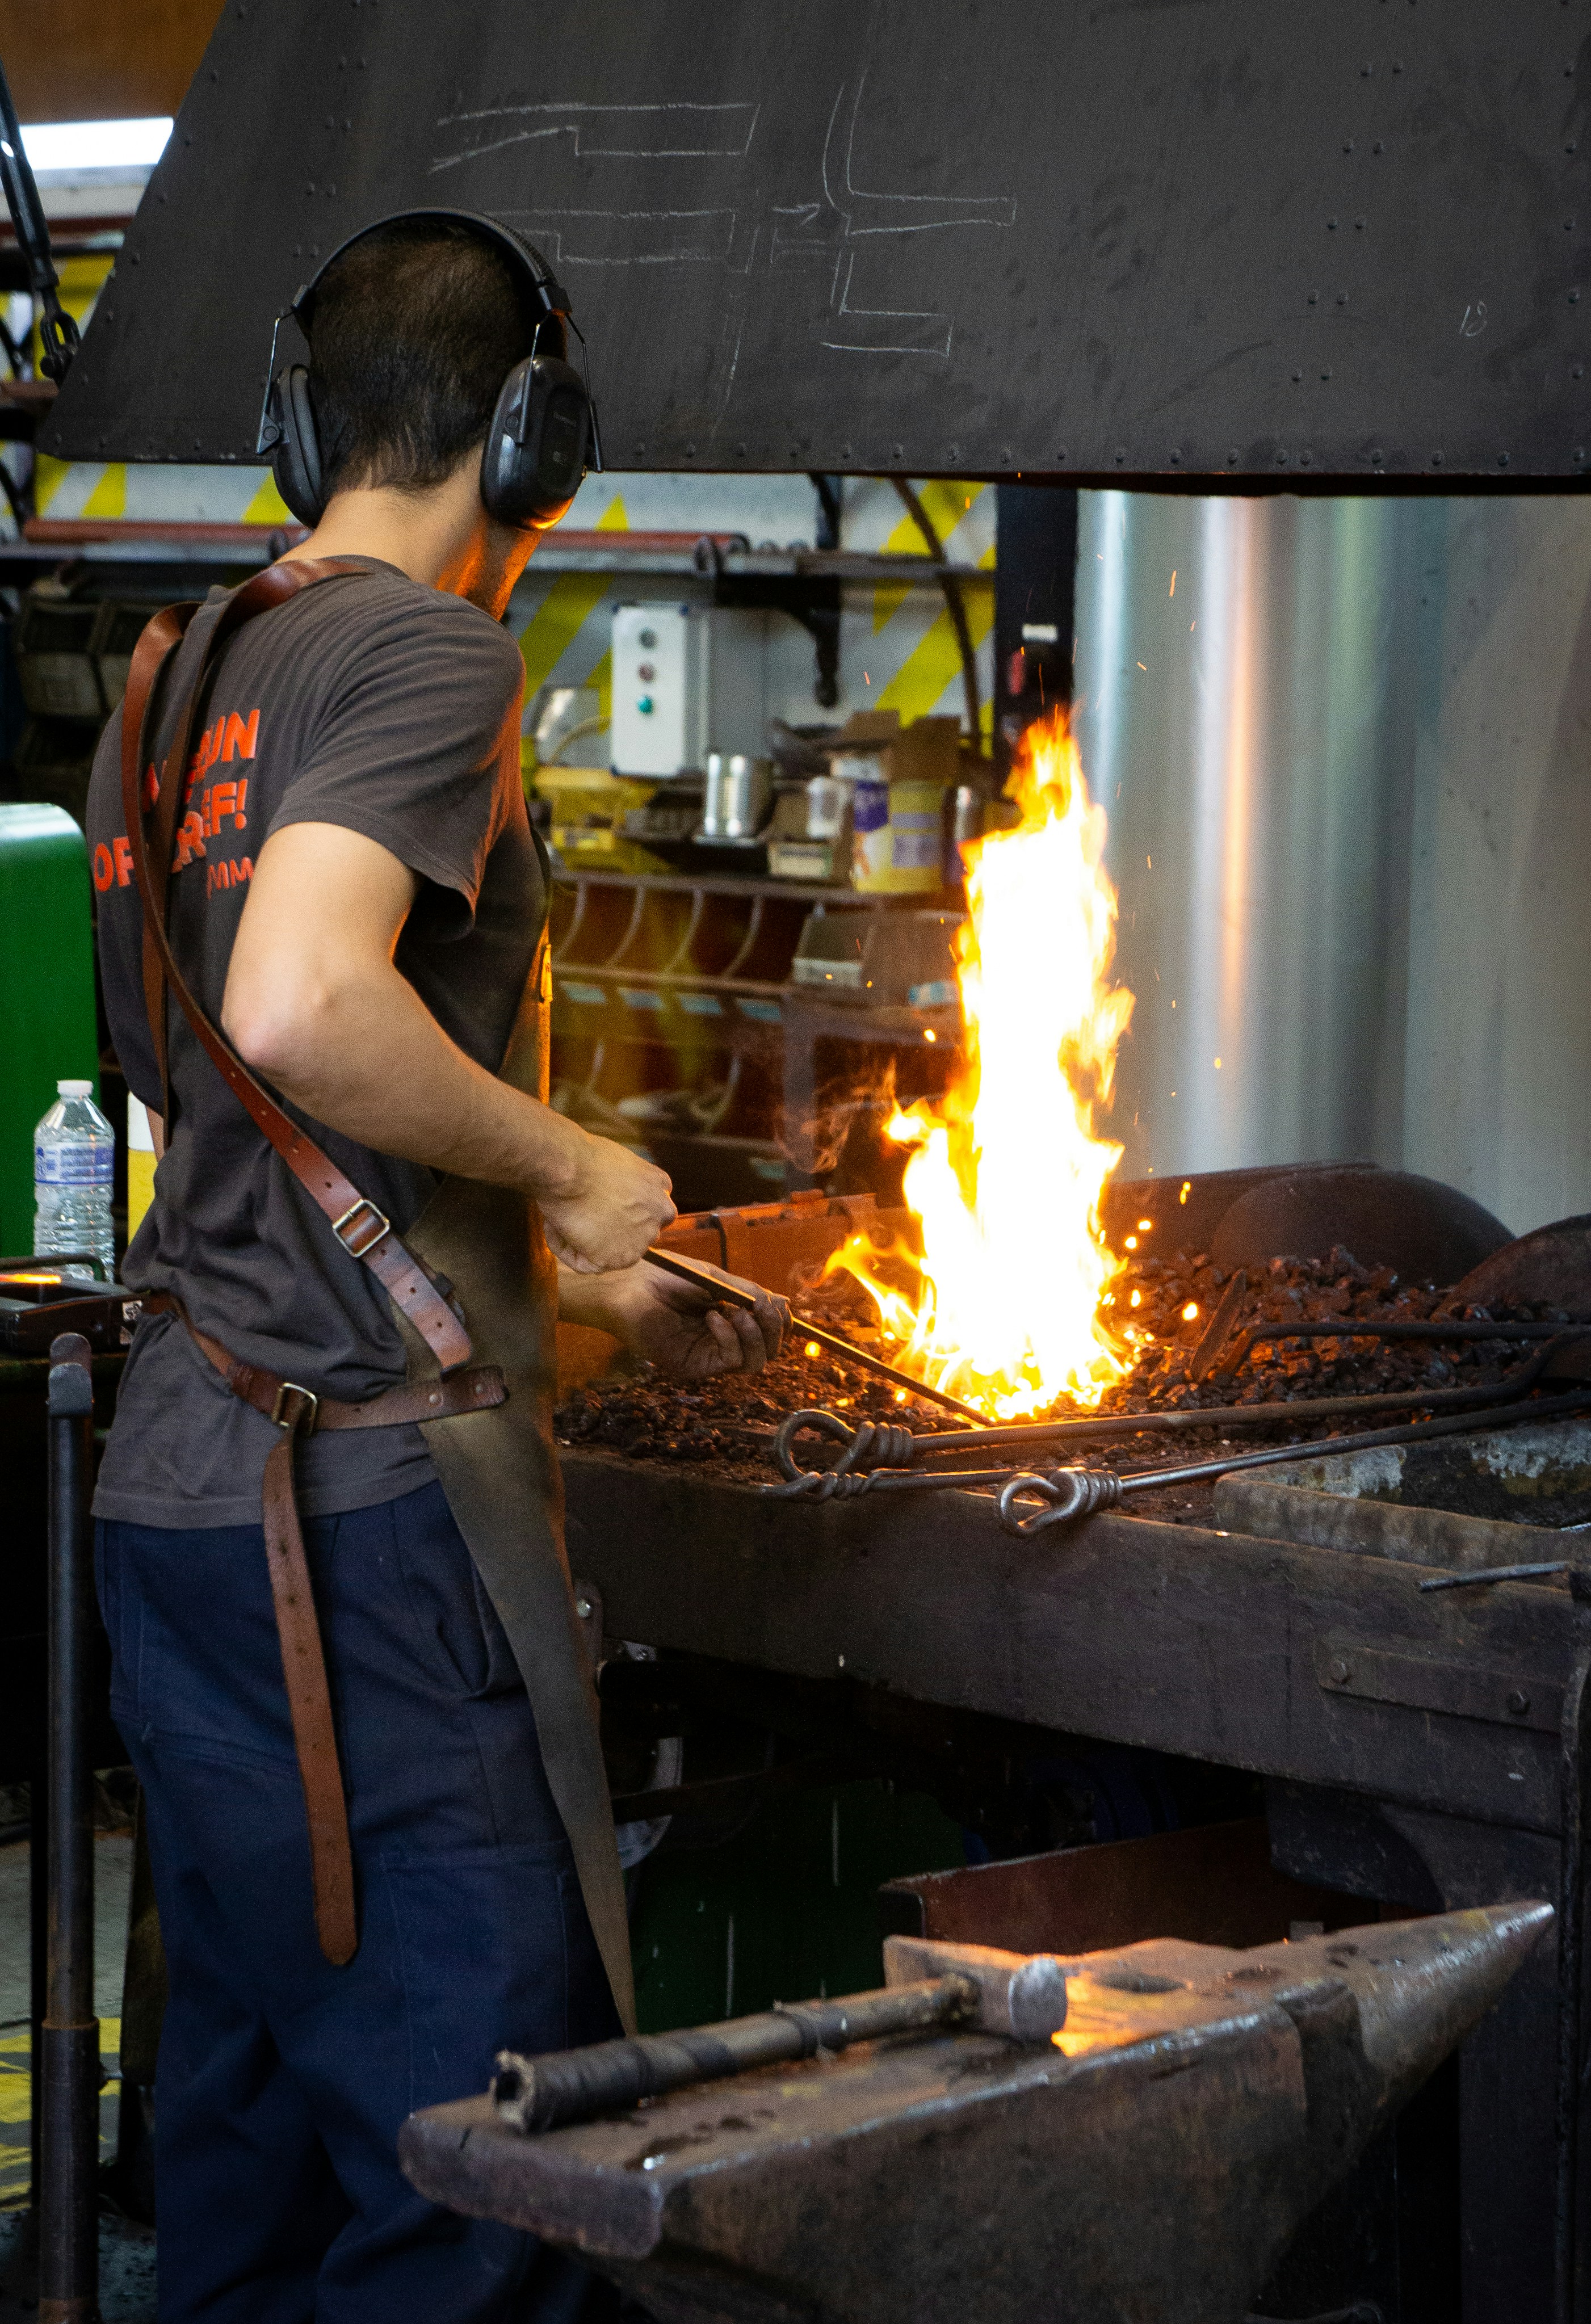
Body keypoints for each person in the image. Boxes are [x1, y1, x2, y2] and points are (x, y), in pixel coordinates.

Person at [85, 212, 786, 2323]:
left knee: (251, 2151)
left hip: (185, 1493)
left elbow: (246, 1139)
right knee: (481, 2186)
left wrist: (569, 1301)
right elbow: (304, 1012)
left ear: (301, 420)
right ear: (531, 436)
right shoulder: (426, 653)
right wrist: (580, 1172)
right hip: (369, 1549)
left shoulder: (166, 679)